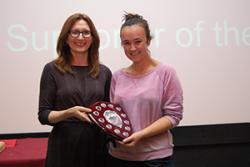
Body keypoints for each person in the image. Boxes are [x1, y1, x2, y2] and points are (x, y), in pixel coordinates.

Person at [107, 13, 183, 167]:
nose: (132, 48)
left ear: (148, 40)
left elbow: (173, 116)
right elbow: (113, 115)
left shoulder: (166, 72)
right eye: (126, 43)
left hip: (155, 159)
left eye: (138, 41)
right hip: (118, 157)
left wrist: (141, 135)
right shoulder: (117, 77)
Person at [38, 13, 112, 167]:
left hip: (96, 148)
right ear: (66, 37)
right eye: (75, 32)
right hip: (64, 148)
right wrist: (68, 113)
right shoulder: (52, 69)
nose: (80, 37)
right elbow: (44, 115)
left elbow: (108, 113)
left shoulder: (104, 72)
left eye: (86, 32)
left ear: (93, 38)